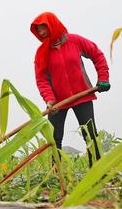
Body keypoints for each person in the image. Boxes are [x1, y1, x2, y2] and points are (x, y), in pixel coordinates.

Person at [30, 12, 110, 166]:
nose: (41, 32)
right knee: (54, 138)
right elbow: (41, 79)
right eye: (38, 30)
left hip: (82, 95)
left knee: (90, 135)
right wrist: (49, 99)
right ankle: (56, 174)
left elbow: (97, 55)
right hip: (57, 103)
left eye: (43, 28)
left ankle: (98, 171)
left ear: (53, 24)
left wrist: (103, 78)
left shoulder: (75, 41)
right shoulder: (42, 53)